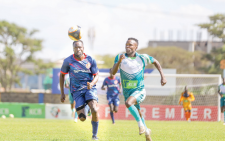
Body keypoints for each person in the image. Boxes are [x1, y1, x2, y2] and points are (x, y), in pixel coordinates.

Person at [112, 37, 167, 141]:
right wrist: (119, 61)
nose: (127, 47)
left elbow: (156, 62)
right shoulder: (120, 57)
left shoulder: (143, 57)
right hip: (127, 91)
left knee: (128, 103)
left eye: (130, 45)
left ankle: (140, 126)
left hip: (139, 90)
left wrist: (163, 76)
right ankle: (147, 133)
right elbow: (113, 72)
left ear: (136, 47)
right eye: (126, 45)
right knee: (138, 111)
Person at [60, 40, 99, 140]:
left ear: (83, 48)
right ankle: (87, 107)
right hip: (76, 91)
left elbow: (96, 75)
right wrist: (62, 93)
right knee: (82, 118)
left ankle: (94, 136)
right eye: (76, 47)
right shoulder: (68, 61)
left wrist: (92, 83)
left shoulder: (90, 59)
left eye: (80, 47)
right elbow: (62, 75)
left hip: (89, 88)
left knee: (94, 109)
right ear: (73, 49)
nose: (78, 49)